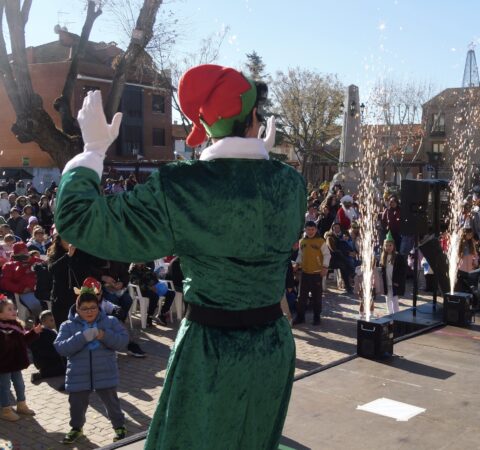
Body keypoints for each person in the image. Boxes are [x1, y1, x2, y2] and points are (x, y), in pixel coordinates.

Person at [54, 65, 305, 449]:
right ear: (255, 117)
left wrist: (92, 151)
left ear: (204, 127)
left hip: (211, 352)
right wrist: (257, 163)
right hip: (272, 346)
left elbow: (78, 220)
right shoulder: (291, 183)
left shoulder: (181, 187)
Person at [54, 289, 129, 444]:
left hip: (105, 371)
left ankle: (119, 427)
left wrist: (104, 335)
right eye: (85, 309)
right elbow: (61, 348)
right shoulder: (67, 325)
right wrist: (82, 337)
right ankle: (76, 428)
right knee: (76, 405)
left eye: (93, 307)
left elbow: (123, 342)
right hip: (78, 373)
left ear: (99, 307)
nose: (89, 312)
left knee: (112, 402)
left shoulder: (110, 321)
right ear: (77, 309)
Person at [0, 295, 42, 422]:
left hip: (16, 363)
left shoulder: (16, 325)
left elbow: (24, 341)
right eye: (9, 309)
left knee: (20, 384)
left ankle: (21, 405)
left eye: (14, 308)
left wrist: (34, 332)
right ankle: (6, 409)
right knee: (5, 386)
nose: (14, 311)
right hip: (4, 364)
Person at [294, 221, 330, 325]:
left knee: (317, 297)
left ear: (316, 230)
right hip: (305, 273)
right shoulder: (302, 241)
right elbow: (300, 255)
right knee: (302, 297)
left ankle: (317, 317)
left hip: (317, 273)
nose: (310, 232)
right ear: (305, 230)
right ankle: (300, 317)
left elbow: (327, 255)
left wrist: (325, 267)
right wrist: (297, 264)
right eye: (308, 229)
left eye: (312, 229)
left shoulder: (320, 241)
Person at [0, 242, 43, 320]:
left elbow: (45, 266)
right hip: (24, 293)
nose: (24, 253)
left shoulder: (33, 260)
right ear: (16, 253)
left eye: (25, 250)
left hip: (41, 289)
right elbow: (4, 282)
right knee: (36, 304)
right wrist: (21, 289)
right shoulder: (9, 265)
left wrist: (31, 260)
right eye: (21, 252)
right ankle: (40, 321)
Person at [29, 310, 66, 383]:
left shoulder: (44, 331)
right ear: (44, 322)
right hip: (47, 361)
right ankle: (42, 374)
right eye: (52, 320)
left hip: (44, 361)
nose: (54, 322)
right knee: (66, 367)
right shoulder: (45, 333)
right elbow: (47, 351)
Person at [380, 231, 406, 314]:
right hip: (387, 282)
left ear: (393, 246)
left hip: (394, 282)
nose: (388, 247)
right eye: (386, 245)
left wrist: (398, 281)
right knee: (387, 299)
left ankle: (396, 315)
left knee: (394, 299)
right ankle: (390, 314)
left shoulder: (398, 257)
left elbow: (402, 270)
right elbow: (382, 270)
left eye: (390, 245)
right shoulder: (383, 257)